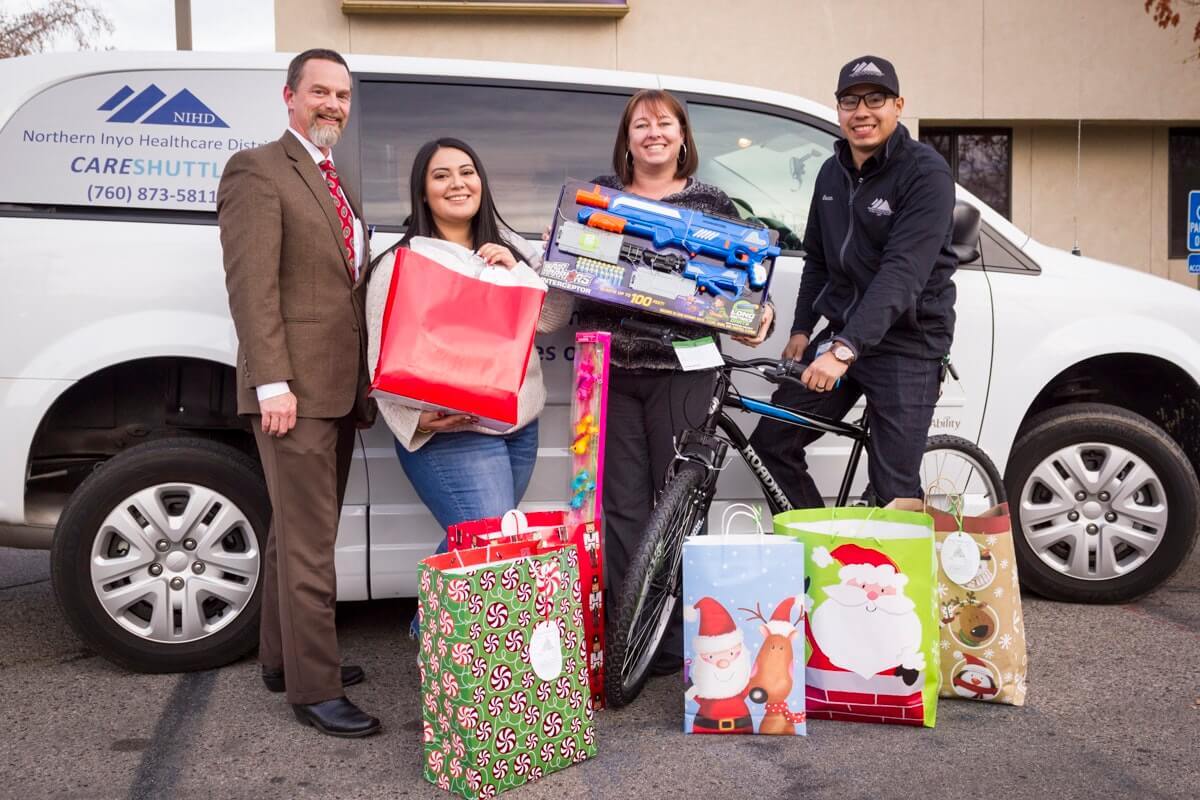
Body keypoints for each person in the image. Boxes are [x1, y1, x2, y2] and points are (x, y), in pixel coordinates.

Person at [575, 90, 774, 674]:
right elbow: (575, 269)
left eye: (665, 123)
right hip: (609, 369)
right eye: (642, 123)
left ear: (683, 136)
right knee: (621, 506)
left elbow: (747, 284)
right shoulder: (598, 197)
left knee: (679, 503)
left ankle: (672, 638)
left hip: (684, 371)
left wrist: (756, 317)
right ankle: (626, 631)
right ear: (627, 138)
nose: (653, 132)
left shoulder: (712, 202)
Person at [217, 49, 379, 737]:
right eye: (320, 92)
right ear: (290, 97)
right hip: (295, 391)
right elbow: (251, 288)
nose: (332, 105)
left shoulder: (335, 180)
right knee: (313, 546)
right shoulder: (258, 169)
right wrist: (274, 381)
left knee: (295, 535)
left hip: (336, 391)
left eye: (341, 95)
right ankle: (313, 690)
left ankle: (283, 659)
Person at [748, 55, 957, 509]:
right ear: (838, 110)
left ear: (898, 105)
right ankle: (826, 551)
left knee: (893, 492)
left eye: (875, 98)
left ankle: (899, 574)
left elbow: (902, 274)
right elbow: (818, 260)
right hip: (844, 332)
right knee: (772, 442)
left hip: (908, 342)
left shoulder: (926, 173)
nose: (861, 111)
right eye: (849, 101)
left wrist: (844, 350)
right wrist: (804, 330)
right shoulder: (830, 173)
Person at [366, 138, 572, 591]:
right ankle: (438, 643)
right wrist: (416, 419)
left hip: (518, 428)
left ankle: (443, 641)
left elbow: (551, 319)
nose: (458, 183)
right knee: (490, 546)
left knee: (485, 545)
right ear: (422, 192)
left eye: (467, 172)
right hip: (452, 433)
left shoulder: (509, 247)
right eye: (441, 176)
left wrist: (519, 271)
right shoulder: (404, 261)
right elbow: (380, 361)